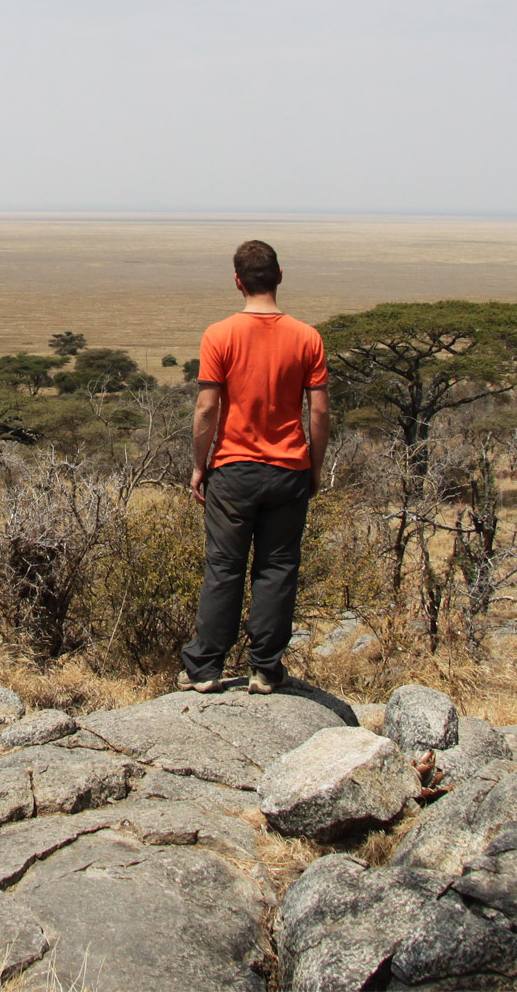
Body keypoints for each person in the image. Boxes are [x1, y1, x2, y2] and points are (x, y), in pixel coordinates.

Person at [181, 239, 330, 694]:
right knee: (277, 566)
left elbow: (207, 408)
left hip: (233, 469)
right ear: (279, 277)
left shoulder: (219, 335)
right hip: (288, 470)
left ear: (237, 281)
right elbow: (319, 412)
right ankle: (266, 668)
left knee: (224, 565)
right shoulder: (307, 337)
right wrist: (314, 467)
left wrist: (199, 465)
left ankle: (206, 668)